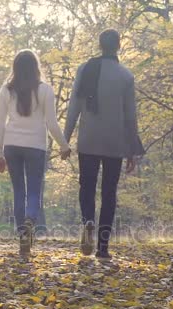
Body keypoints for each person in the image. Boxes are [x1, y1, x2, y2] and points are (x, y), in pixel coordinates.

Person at [64, 29, 145, 260]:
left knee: (86, 187)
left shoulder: (85, 69)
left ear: (100, 45)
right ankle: (103, 247)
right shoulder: (126, 76)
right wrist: (132, 149)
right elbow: (131, 116)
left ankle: (88, 220)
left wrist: (65, 139)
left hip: (89, 138)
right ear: (118, 46)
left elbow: (74, 107)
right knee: (109, 193)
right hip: (114, 142)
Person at [0, 50, 71, 257]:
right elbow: (51, 124)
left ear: (15, 67)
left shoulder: (6, 90)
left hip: (11, 145)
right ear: (36, 67)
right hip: (36, 146)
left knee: (19, 191)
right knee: (35, 189)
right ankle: (30, 220)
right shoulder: (45, 90)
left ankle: (22, 236)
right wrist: (63, 146)